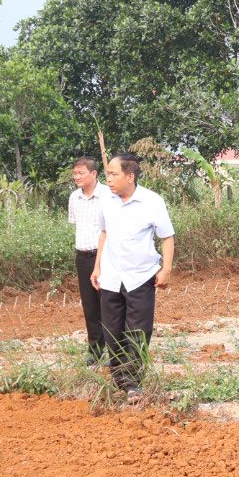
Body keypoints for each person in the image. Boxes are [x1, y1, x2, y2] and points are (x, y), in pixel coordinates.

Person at [90, 153, 175, 400]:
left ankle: (132, 383)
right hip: (111, 276)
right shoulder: (106, 201)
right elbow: (104, 233)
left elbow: (167, 237)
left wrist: (166, 269)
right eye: (107, 174)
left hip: (140, 276)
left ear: (130, 176)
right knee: (112, 330)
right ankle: (119, 380)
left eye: (113, 174)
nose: (108, 179)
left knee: (138, 331)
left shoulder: (152, 201)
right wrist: (97, 267)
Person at [67, 156, 113, 364]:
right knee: (90, 306)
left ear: (94, 174)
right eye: (75, 173)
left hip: (103, 256)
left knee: (109, 303)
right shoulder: (74, 198)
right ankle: (95, 350)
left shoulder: (107, 195)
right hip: (83, 257)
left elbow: (110, 229)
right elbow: (76, 225)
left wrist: (101, 261)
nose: (77, 177)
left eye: (81, 173)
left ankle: (115, 350)